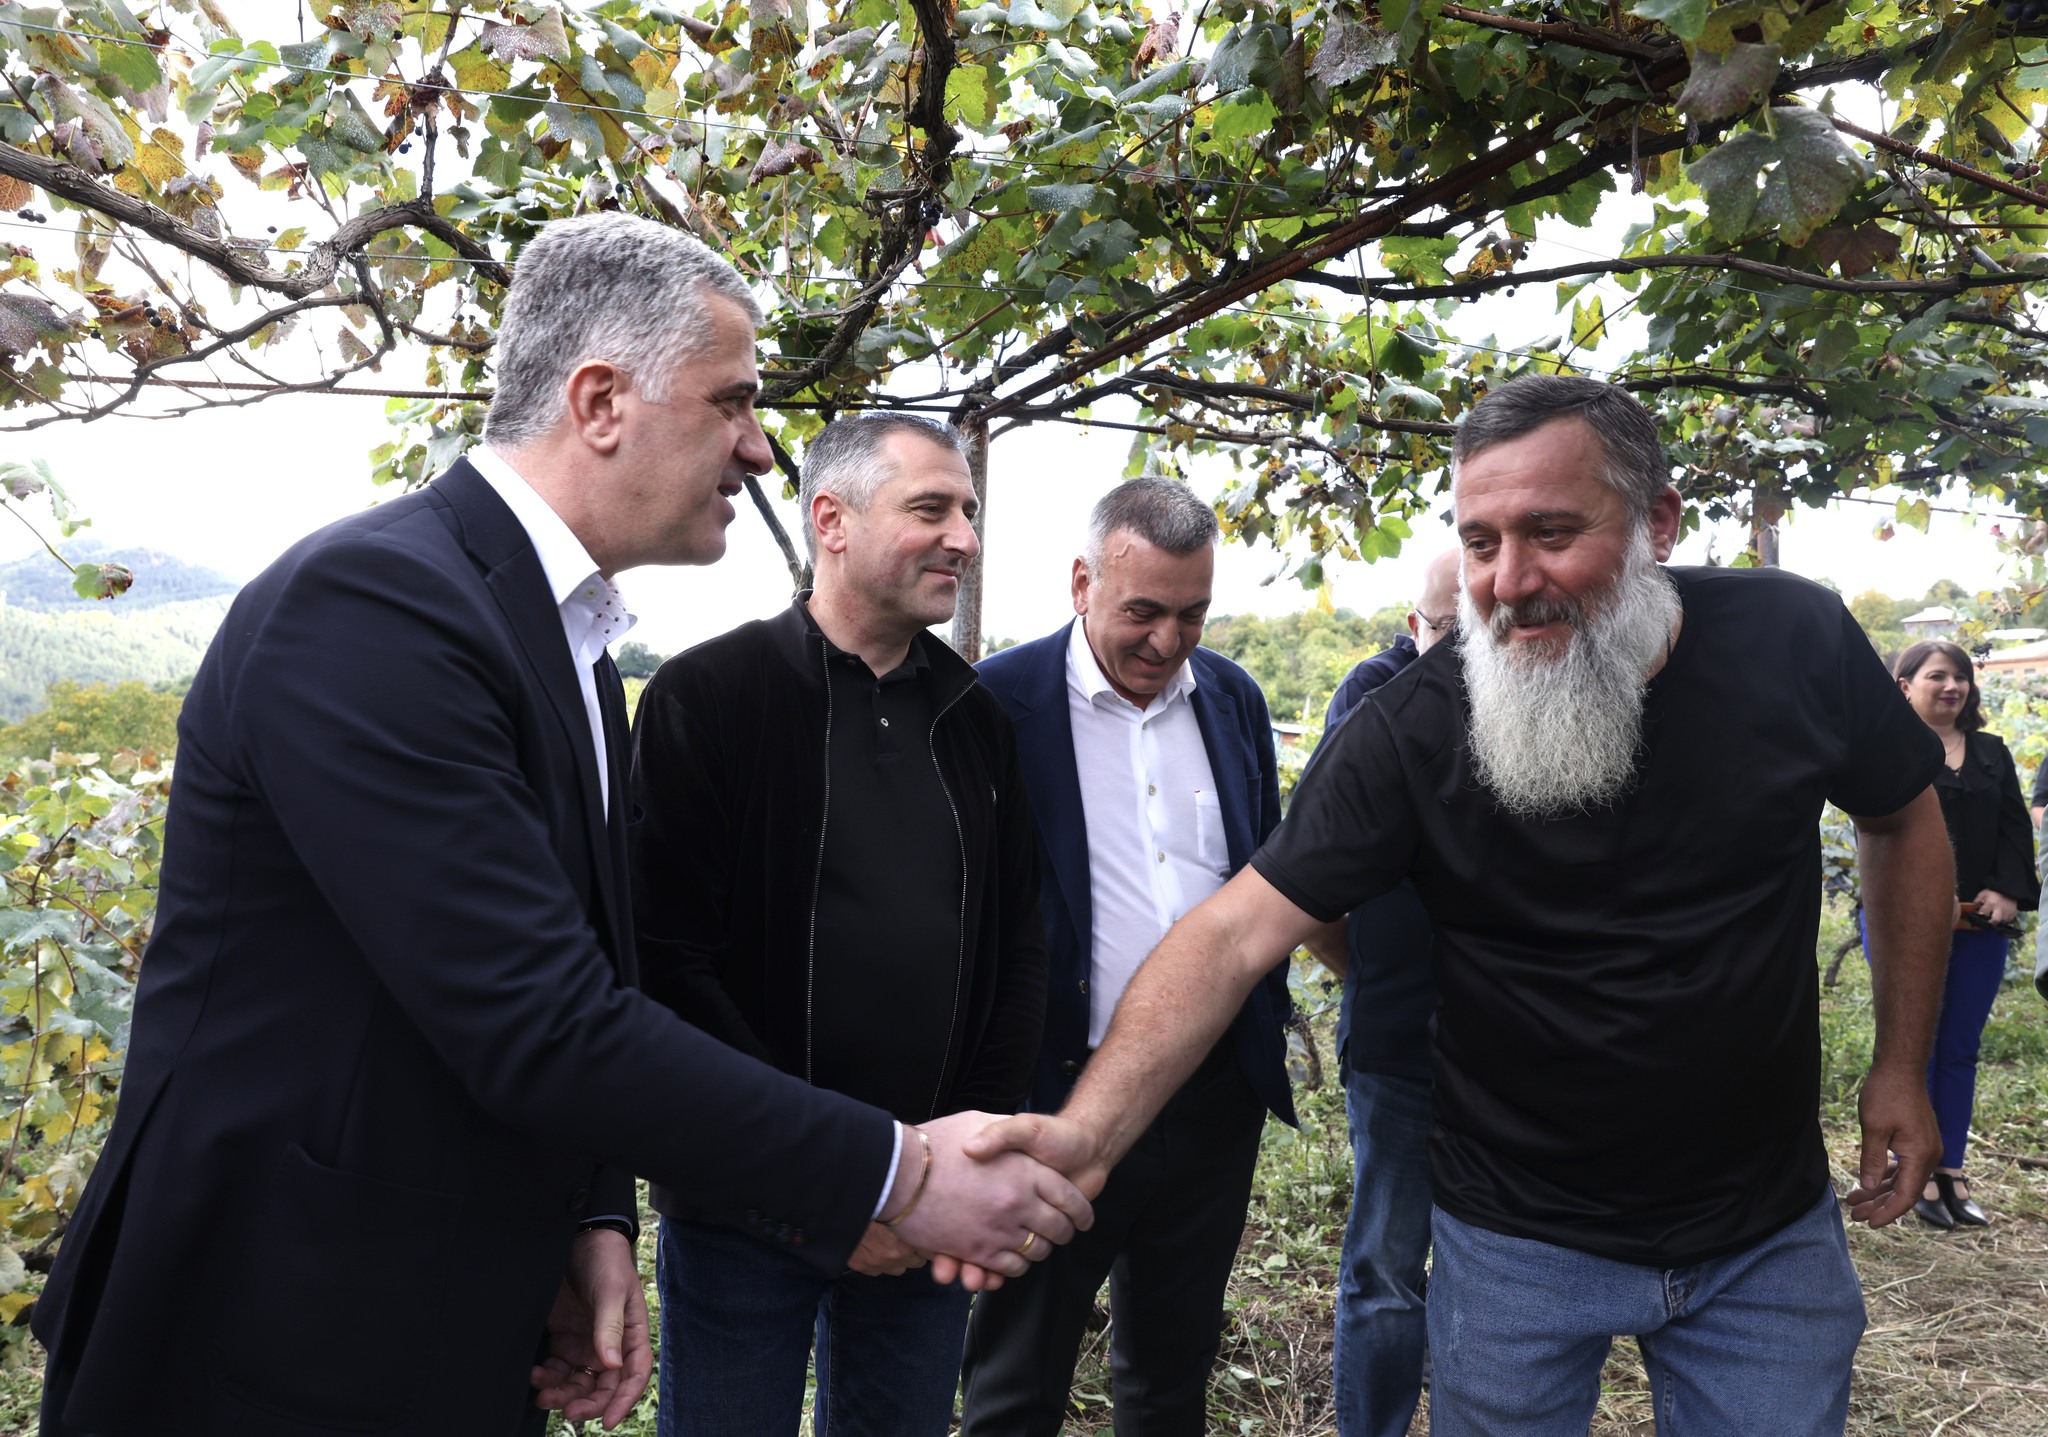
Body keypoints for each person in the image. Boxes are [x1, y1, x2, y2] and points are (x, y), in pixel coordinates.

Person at [31, 215, 1089, 1437]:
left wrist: (592, 1216)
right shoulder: (375, 604)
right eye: (733, 402)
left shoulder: (575, 650)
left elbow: (584, 963)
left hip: (450, 1305)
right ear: (599, 403)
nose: (758, 449)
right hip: (272, 1324)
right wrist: (897, 1173)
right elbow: (536, 1018)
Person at [972, 375, 1957, 1437]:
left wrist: (1901, 1064)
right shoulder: (1415, 726)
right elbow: (1229, 933)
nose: (1509, 581)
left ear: (1657, 524)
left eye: (1550, 533)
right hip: (1515, 1246)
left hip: (1765, 1235)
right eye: (1479, 542)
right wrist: (1086, 1137)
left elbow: (1901, 818)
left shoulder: (1793, 636)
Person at [627, 412, 1049, 1436]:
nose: (964, 538)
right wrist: (830, 1184)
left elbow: (1017, 952)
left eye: (969, 512)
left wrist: (955, 1165)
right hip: (746, 1204)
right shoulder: (708, 697)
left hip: (931, 1208)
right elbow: (667, 965)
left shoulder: (976, 719)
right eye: (931, 509)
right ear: (832, 521)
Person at [960, 478, 1292, 1435]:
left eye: (1192, 613)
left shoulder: (1232, 698)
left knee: (1172, 1372)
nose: (1166, 640)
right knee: (1016, 1382)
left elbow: (1263, 872)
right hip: (1055, 1099)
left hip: (1211, 1101)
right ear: (1081, 583)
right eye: (1142, 610)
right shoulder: (994, 704)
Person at [1312, 546, 1459, 1437]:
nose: (1469, 650)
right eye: (1449, 630)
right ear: (1414, 627)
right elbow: (1313, 879)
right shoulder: (1373, 699)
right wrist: (1368, 973)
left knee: (1499, 1270)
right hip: (1403, 1041)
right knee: (1387, 1268)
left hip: (1523, 1053)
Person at [1875, 640, 2037, 1228]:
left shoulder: (1992, 752)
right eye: (1938, 676)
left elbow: (2015, 829)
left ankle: (1951, 1170)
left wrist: (2007, 890)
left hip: (1979, 922)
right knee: (1911, 1045)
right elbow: (1877, 833)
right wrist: (1921, 898)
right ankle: (1912, 1169)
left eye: (1961, 677)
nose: (1953, 686)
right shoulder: (1887, 750)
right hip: (1903, 923)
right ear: (1904, 686)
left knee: (1960, 1048)